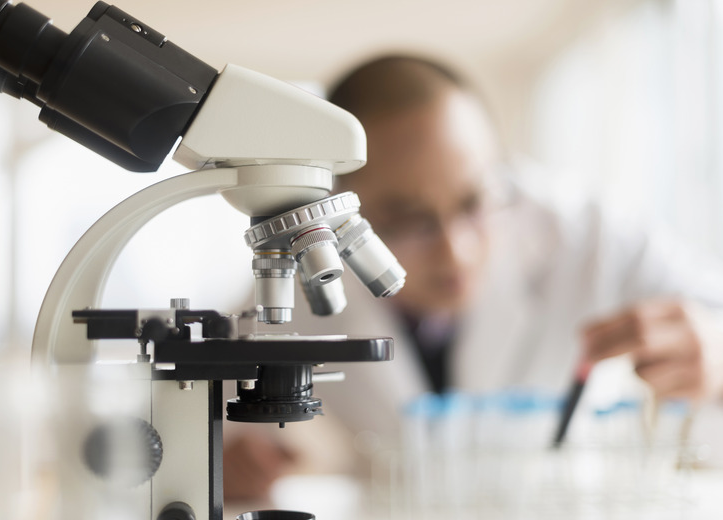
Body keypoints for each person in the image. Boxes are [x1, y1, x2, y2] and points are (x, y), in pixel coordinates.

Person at [223, 54, 723, 499]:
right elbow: (206, 405)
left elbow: (712, 316)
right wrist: (229, 458)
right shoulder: (302, 268)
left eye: (474, 201)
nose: (455, 252)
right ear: (341, 207)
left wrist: (715, 353)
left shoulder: (588, 236)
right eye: (408, 219)